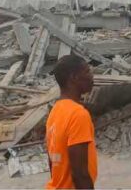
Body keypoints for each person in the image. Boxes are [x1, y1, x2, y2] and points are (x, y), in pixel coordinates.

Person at [46, 55, 97, 189]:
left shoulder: (55, 111)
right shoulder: (78, 114)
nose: (92, 76)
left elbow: (52, 161)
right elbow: (79, 174)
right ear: (74, 78)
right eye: (87, 71)